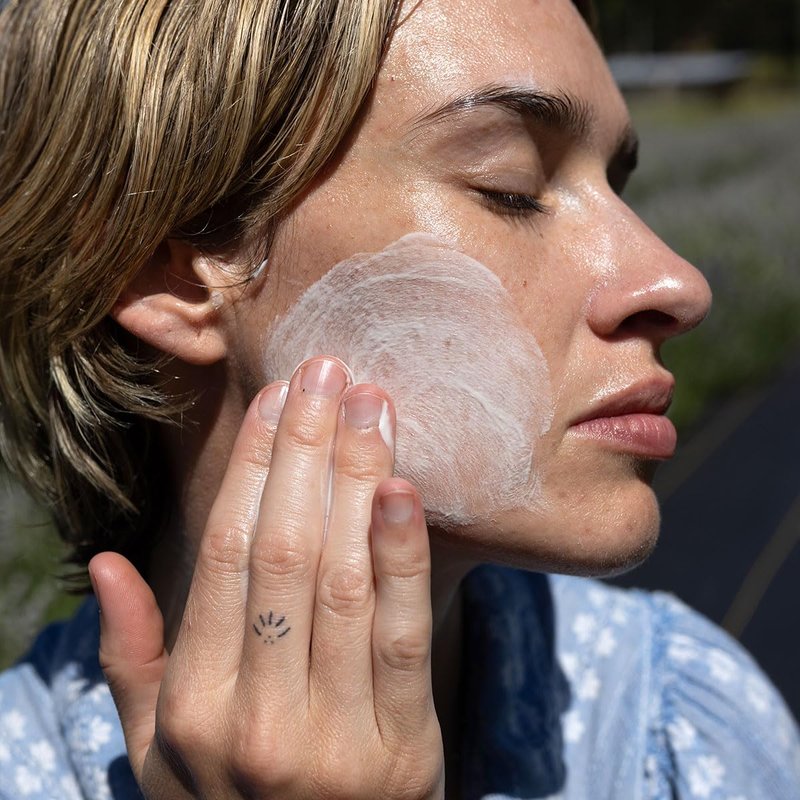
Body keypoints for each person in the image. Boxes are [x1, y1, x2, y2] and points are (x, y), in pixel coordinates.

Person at [0, 0, 798, 797]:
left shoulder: (682, 727)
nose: (677, 282)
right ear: (167, 268)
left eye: (619, 188)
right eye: (512, 185)